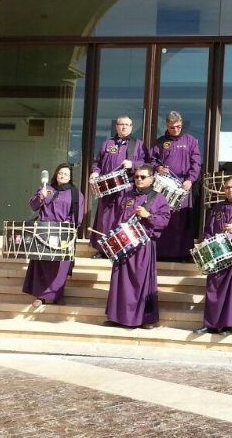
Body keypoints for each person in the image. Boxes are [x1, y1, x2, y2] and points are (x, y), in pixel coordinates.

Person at [104, 165, 171, 328]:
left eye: (143, 177)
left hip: (143, 246)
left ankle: (144, 319)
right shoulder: (127, 196)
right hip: (124, 244)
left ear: (151, 179)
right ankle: (117, 317)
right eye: (136, 177)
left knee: (140, 283)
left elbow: (164, 221)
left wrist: (148, 215)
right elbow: (117, 218)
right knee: (121, 282)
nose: (139, 180)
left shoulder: (158, 198)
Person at [194, 176, 232, 336]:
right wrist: (206, 240)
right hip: (217, 254)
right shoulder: (217, 208)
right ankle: (210, 324)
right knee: (213, 289)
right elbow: (208, 229)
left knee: (231, 293)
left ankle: (228, 326)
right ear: (224, 190)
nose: (231, 190)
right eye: (228, 187)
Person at [23, 163, 85, 307]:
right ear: (56, 174)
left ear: (70, 177)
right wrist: (41, 197)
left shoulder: (76, 194)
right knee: (43, 263)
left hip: (63, 232)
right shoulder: (46, 189)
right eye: (60, 173)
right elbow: (33, 206)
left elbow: (77, 216)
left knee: (60, 266)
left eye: (66, 174)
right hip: (44, 231)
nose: (62, 176)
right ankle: (41, 296)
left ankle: (57, 295)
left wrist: (65, 226)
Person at [89, 115, 149, 258]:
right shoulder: (107, 144)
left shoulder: (138, 144)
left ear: (131, 127)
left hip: (127, 189)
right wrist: (95, 173)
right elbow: (97, 162)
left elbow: (148, 164)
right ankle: (103, 250)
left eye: (127, 125)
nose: (124, 127)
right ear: (116, 126)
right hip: (107, 189)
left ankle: (120, 248)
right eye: (121, 124)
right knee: (105, 220)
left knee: (122, 219)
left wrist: (133, 165)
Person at [150, 111, 201, 261]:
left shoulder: (190, 141)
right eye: (172, 127)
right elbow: (152, 160)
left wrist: (190, 180)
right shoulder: (160, 142)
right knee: (164, 217)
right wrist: (157, 168)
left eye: (178, 126)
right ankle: (162, 253)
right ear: (167, 126)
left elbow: (196, 163)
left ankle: (183, 254)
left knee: (181, 220)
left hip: (183, 185)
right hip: (164, 187)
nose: (176, 130)